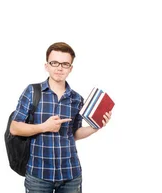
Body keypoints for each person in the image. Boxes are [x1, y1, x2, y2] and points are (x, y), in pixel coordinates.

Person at [10, 42, 113, 193]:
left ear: (70, 68)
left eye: (65, 64)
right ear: (47, 66)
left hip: (71, 174)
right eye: (54, 63)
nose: (59, 68)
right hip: (39, 174)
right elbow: (14, 128)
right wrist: (44, 127)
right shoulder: (32, 92)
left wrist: (95, 127)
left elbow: (74, 134)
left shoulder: (76, 99)